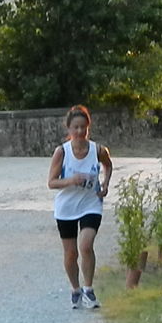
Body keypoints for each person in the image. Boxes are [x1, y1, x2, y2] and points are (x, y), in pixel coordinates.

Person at [47, 105, 113, 309]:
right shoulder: (62, 152)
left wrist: (105, 183)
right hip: (66, 207)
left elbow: (108, 165)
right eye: (75, 127)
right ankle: (75, 289)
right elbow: (51, 182)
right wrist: (71, 180)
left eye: (83, 127)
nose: (79, 131)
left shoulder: (97, 150)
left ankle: (89, 290)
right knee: (70, 254)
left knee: (85, 245)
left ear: (88, 128)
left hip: (90, 204)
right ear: (68, 129)